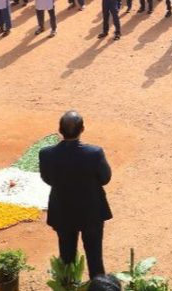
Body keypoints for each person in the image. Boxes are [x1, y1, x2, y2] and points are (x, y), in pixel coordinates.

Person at [39, 111, 113, 279]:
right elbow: (105, 178)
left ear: (60, 130)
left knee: (66, 258)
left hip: (63, 211)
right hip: (91, 212)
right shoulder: (94, 153)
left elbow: (47, 178)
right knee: (95, 260)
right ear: (83, 129)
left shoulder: (46, 154)